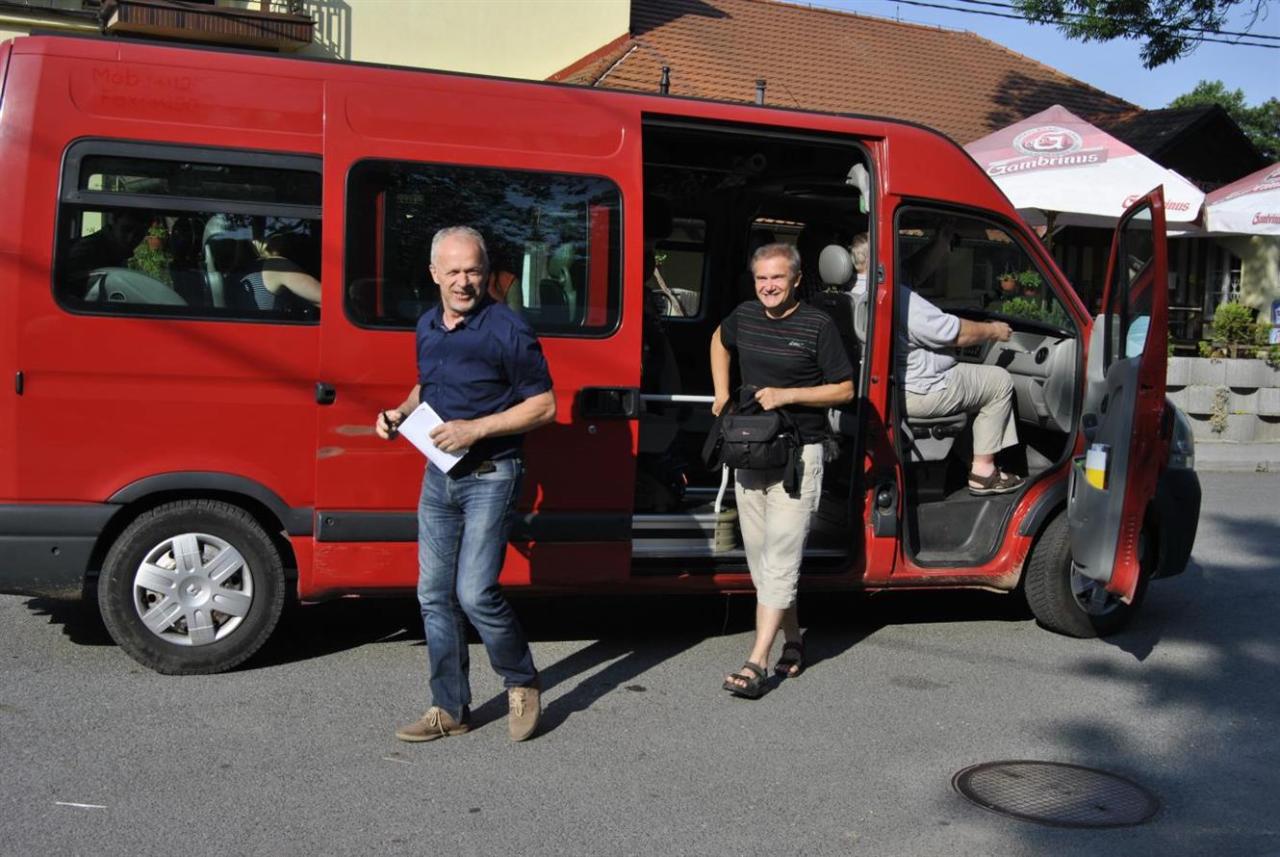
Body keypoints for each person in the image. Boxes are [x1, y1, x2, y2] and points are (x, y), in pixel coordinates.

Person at [377, 225, 556, 743]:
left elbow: (544, 405)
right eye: (453, 271)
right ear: (434, 273)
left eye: (473, 270)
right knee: (434, 595)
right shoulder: (427, 325)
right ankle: (449, 707)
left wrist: (474, 430)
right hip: (439, 476)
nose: (463, 281)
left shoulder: (508, 330)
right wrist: (398, 412)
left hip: (491, 474)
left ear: (486, 272)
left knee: (474, 593)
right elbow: (428, 386)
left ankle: (521, 680)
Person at [710, 242, 854, 699]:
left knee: (782, 560)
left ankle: (757, 660)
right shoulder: (745, 316)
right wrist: (721, 393)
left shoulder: (818, 325)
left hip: (799, 457)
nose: (769, 286)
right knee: (762, 562)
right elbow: (719, 339)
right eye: (761, 278)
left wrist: (787, 395)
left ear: (795, 280)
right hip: (751, 452)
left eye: (777, 277)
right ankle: (794, 640)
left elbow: (845, 389)